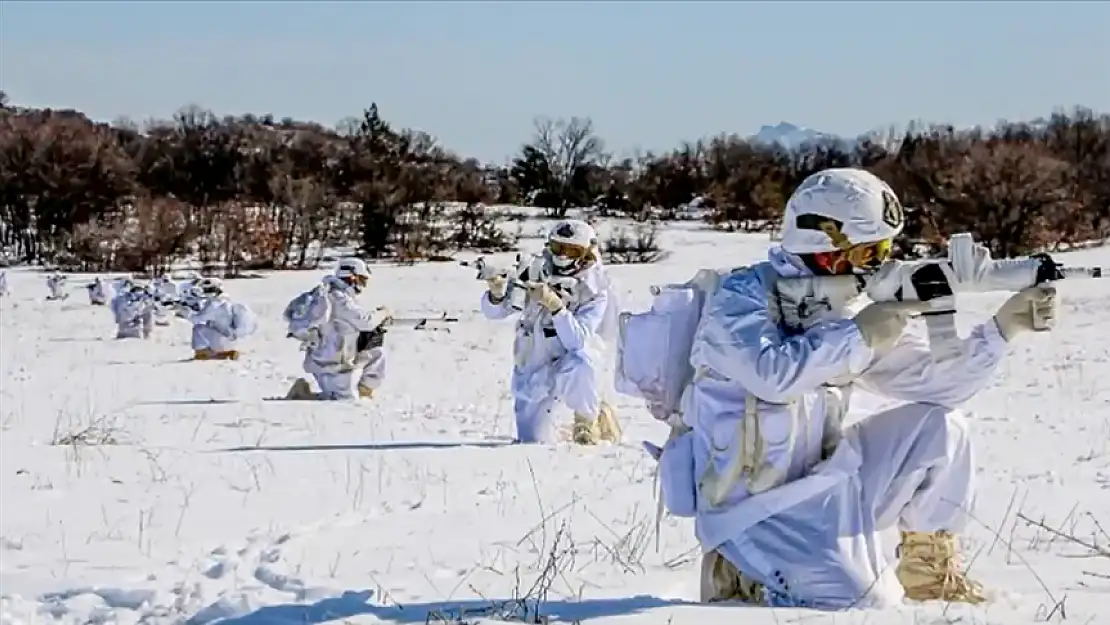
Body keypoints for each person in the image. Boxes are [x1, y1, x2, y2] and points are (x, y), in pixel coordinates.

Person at [638, 168, 1056, 609]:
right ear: (823, 243)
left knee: (942, 427)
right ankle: (739, 576)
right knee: (863, 606)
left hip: (826, 483)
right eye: (869, 249)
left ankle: (929, 576)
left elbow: (938, 385)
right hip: (751, 512)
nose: (880, 261)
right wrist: (858, 335)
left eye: (887, 248)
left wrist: (1002, 329)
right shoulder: (740, 296)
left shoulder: (849, 304)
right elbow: (773, 375)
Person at [480, 219, 622, 445]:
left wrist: (555, 306)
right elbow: (495, 313)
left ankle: (587, 419)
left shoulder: (595, 291)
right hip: (534, 365)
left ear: (586, 252)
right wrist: (496, 294)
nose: (562, 256)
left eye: (571, 250)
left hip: (568, 362)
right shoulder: (534, 270)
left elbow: (577, 341)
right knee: (533, 441)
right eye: (557, 248)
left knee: (583, 363)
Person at [284, 258, 390, 401]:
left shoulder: (329, 294)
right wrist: (383, 313)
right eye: (362, 280)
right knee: (345, 401)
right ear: (352, 276)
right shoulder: (338, 298)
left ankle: (363, 390)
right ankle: (301, 395)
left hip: (330, 360)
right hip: (333, 366)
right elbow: (366, 321)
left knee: (375, 349)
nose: (363, 285)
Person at [177, 277, 257, 360]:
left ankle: (203, 353)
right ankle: (226, 353)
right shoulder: (223, 301)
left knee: (198, 328)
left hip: (224, 340)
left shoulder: (215, 304)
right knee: (207, 327)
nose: (207, 292)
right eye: (205, 290)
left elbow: (197, 319)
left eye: (210, 290)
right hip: (229, 339)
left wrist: (185, 313)